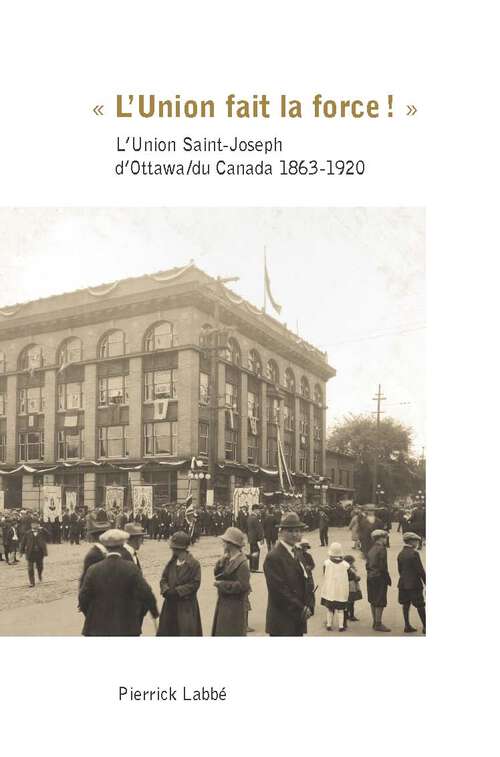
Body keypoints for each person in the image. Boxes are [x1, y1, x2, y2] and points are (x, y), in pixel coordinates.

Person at [78, 529, 158, 636]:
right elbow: (146, 593)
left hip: (97, 627)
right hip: (125, 625)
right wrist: (154, 613)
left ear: (106, 546)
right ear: (122, 545)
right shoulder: (131, 568)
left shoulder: (93, 569)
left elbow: (83, 597)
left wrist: (92, 614)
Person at [263, 512, 313, 637]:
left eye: (298, 530)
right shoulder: (273, 557)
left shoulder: (298, 552)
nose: (295, 534)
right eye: (290, 531)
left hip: (298, 617)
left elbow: (308, 579)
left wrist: (310, 605)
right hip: (282, 618)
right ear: (281, 532)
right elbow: (279, 591)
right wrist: (301, 608)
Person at [157, 531, 202, 636]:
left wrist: (177, 592)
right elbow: (163, 578)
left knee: (184, 632)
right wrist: (166, 590)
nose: (172, 550)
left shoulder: (194, 564)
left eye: (174, 548)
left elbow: (195, 584)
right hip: (170, 606)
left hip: (186, 608)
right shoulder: (171, 563)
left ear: (181, 549)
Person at [211, 527, 251, 636]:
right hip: (225, 604)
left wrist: (222, 585)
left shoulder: (242, 563)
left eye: (224, 541)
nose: (222, 543)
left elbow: (243, 586)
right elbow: (217, 575)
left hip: (234, 608)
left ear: (230, 543)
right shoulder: (229, 558)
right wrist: (220, 561)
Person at [397, 531, 426, 633]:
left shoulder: (400, 553)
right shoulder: (414, 554)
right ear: (411, 541)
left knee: (405, 605)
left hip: (403, 583)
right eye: (416, 541)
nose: (417, 543)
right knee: (420, 605)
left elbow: (400, 570)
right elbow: (420, 570)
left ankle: (407, 625)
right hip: (414, 584)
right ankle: (425, 626)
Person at [366, 529, 392, 631]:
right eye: (385, 537)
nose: (386, 539)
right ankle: (378, 623)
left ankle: (375, 621)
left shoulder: (371, 549)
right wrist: (387, 578)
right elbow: (383, 566)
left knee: (373, 600)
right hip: (379, 577)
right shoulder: (382, 549)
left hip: (370, 576)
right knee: (380, 601)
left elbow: (367, 564)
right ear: (381, 538)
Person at [321, 542, 349, 631]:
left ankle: (329, 625)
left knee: (330, 609)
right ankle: (341, 626)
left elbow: (324, 573)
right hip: (341, 589)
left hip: (330, 589)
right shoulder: (345, 564)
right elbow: (350, 574)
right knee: (341, 610)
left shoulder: (326, 563)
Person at [20, 520, 48, 587]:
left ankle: (39, 575)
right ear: (31, 525)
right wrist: (21, 551)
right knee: (30, 568)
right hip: (30, 552)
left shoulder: (42, 532)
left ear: (38, 525)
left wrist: (43, 528)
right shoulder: (27, 533)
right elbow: (23, 543)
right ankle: (32, 582)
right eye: (33, 524)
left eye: (36, 524)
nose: (34, 525)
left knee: (40, 566)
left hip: (39, 552)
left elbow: (49, 535)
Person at [344, 554, 362, 621]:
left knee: (349, 602)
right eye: (351, 562)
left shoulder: (347, 568)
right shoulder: (349, 569)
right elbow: (354, 577)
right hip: (351, 586)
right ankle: (351, 615)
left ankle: (348, 615)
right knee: (351, 602)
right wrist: (358, 578)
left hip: (350, 586)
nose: (353, 564)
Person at [247, 506, 264, 572]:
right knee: (256, 552)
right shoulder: (255, 518)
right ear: (255, 510)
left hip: (251, 538)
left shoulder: (249, 517)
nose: (259, 511)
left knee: (252, 552)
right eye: (258, 510)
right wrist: (261, 538)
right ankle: (254, 568)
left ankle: (251, 567)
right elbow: (258, 529)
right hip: (256, 538)